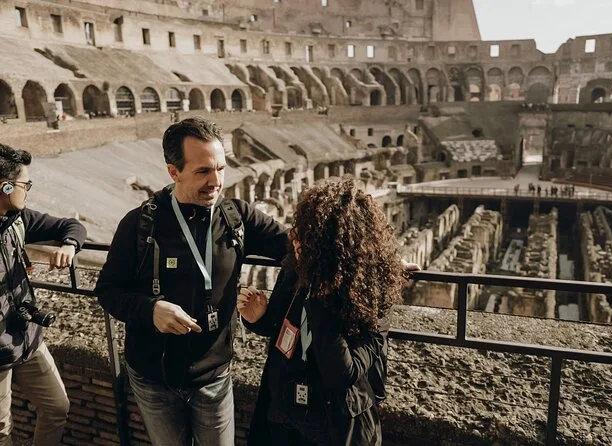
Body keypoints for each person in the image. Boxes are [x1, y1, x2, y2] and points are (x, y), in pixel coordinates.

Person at [94, 118, 289, 446]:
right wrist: (150, 310)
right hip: (154, 379)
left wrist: (369, 255)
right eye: (203, 172)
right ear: (174, 172)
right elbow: (108, 290)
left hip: (214, 378)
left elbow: (296, 246)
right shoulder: (140, 223)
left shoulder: (236, 216)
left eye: (221, 168)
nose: (216, 181)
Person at [238, 177, 405, 446]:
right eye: (299, 228)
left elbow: (341, 373)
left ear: (335, 246)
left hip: (335, 424)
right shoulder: (295, 270)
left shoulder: (372, 298)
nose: (294, 237)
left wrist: (320, 288)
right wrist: (258, 319)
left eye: (307, 234)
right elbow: (279, 326)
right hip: (284, 413)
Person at [0, 144, 87, 446]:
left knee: (57, 408)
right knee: (2, 431)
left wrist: (69, 245)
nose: (28, 191)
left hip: (28, 338)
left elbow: (71, 226)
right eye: (25, 185)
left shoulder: (18, 219)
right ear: (6, 186)